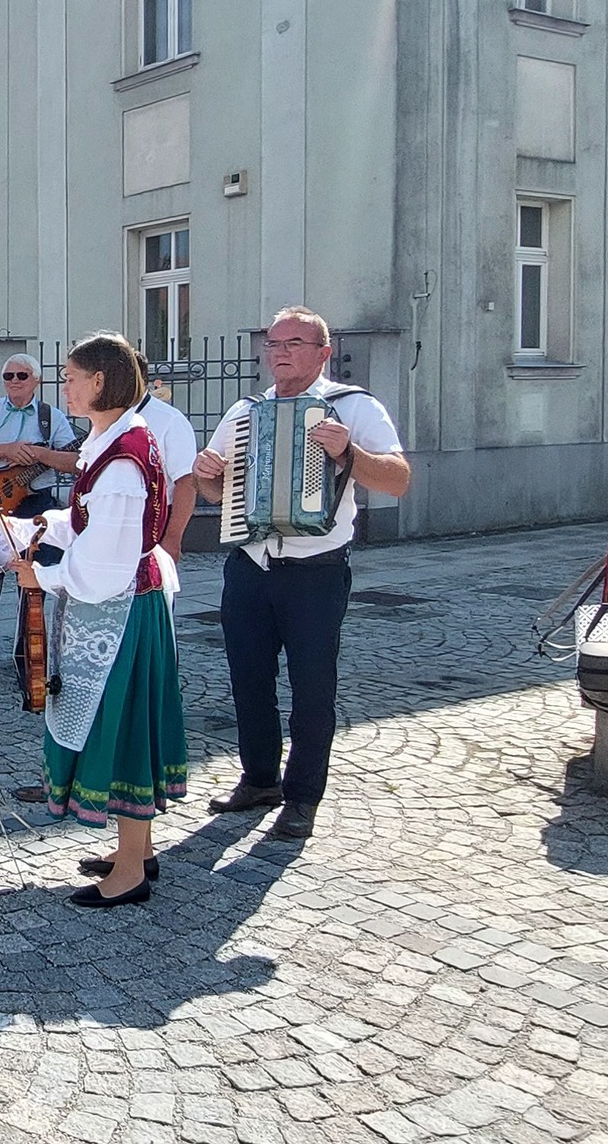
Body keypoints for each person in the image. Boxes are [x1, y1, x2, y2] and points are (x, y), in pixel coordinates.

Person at [190, 306, 412, 842]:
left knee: (313, 688)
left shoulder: (352, 407)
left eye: (294, 342)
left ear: (323, 353)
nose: (280, 351)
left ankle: (303, 796)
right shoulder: (245, 411)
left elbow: (398, 480)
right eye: (273, 343)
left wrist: (348, 452)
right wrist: (207, 475)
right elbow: (216, 492)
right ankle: (259, 779)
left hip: (316, 571)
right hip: (249, 566)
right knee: (248, 680)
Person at [7, 332, 184, 908]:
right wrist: (40, 528)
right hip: (125, 605)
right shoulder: (110, 441)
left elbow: (105, 564)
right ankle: (137, 848)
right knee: (124, 722)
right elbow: (88, 523)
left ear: (100, 382)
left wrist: (44, 578)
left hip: (122, 612)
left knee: (124, 727)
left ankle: (130, 871)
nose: (64, 386)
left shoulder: (124, 459)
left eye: (71, 377)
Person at [0, 353, 80, 683]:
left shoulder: (52, 418)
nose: (15, 381)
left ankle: (28, 658)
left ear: (36, 380)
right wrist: (6, 450)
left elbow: (75, 462)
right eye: (9, 376)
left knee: (32, 582)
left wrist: (39, 454)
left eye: (22, 375)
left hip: (35, 504)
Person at [138, 378, 201, 564]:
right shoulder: (109, 416)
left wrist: (173, 539)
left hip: (155, 520)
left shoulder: (169, 419)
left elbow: (187, 481)